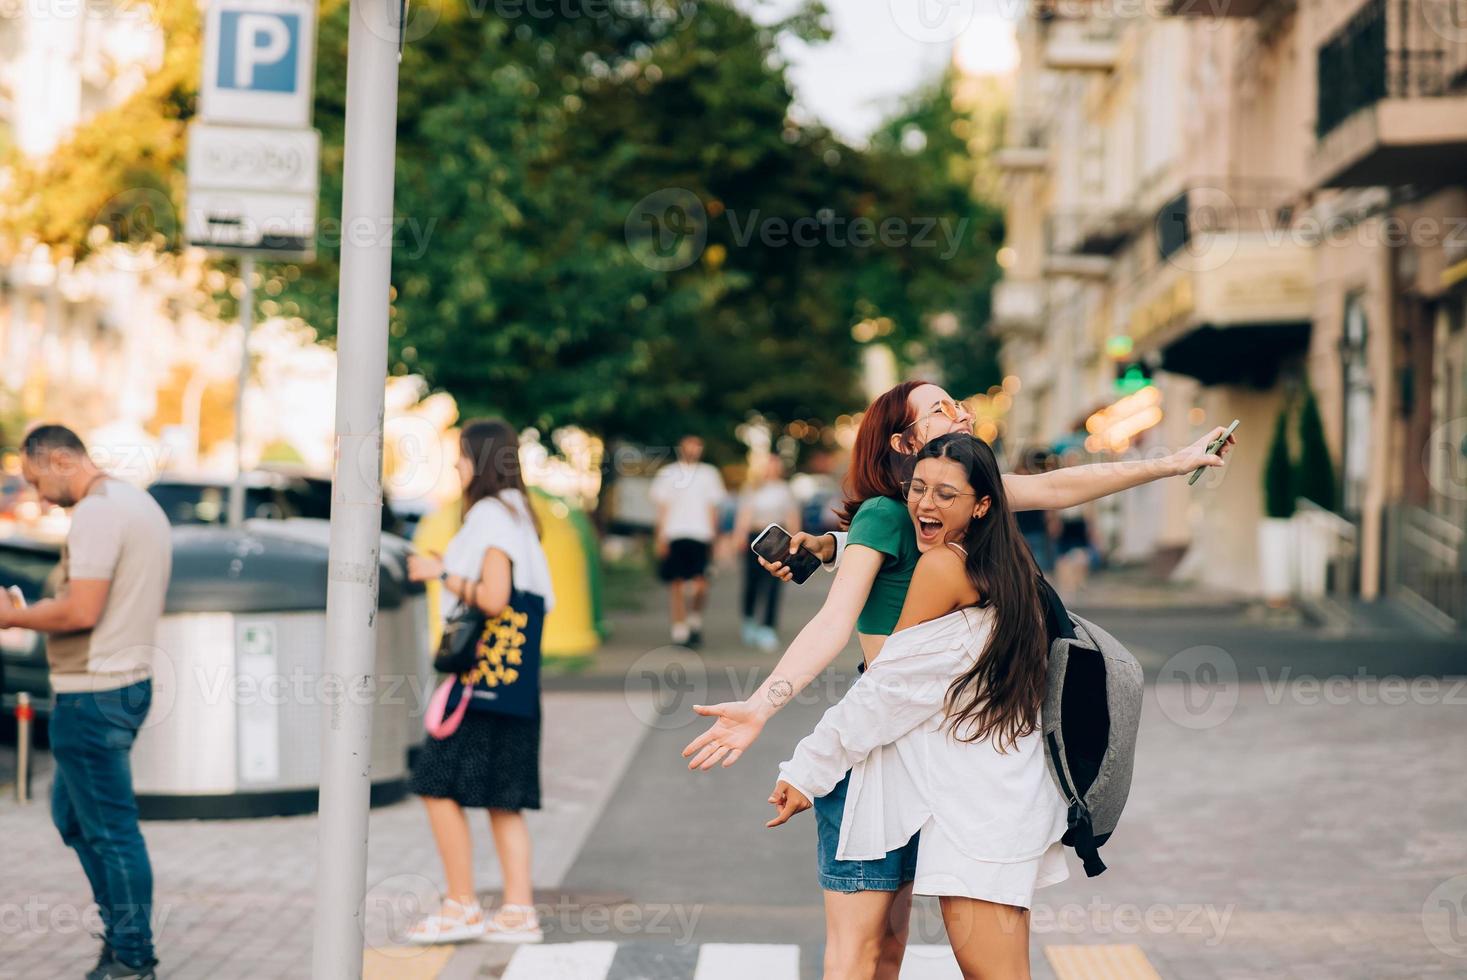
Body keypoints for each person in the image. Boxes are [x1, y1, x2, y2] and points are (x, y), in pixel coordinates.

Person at [682, 379, 1235, 980]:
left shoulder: (963, 515)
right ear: (904, 442)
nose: (963, 412)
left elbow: (1060, 486)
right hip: (886, 743)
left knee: (886, 951)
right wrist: (763, 705)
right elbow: (835, 622)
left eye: (957, 404)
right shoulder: (899, 516)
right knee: (868, 953)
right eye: (941, 409)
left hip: (933, 748)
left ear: (979, 503)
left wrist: (1176, 462)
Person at [768, 433, 1068, 980]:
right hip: (1004, 798)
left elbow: (889, 690)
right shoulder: (1009, 566)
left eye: (945, 495)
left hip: (978, 816)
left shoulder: (945, 567)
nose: (925, 505)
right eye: (918, 488)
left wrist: (806, 770)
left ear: (981, 505)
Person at [0, 425, 172, 980]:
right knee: (73, 816)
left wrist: (14, 616)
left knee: (110, 830)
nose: (39, 495)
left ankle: (131, 959)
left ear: (57, 459)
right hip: (121, 685)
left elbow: (81, 612)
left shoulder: (98, 513)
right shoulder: (134, 501)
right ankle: (124, 941)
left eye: (35, 479)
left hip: (95, 693)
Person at [405, 418, 556, 945]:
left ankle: (461, 903)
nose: (456, 465)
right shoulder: (517, 514)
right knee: (503, 797)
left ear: (481, 460)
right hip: (514, 684)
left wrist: (437, 574)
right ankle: (517, 911)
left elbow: (493, 596)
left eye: (462, 456)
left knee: (433, 783)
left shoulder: (491, 514)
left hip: (482, 682)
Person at [650, 435, 726, 647]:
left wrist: (715, 538)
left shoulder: (709, 474)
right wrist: (660, 537)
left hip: (701, 535)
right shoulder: (668, 473)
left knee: (701, 584)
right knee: (676, 583)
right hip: (675, 533)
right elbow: (662, 508)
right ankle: (679, 629)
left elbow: (713, 509)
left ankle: (694, 620)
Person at [732, 455, 801, 652]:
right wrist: (739, 537)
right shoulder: (752, 488)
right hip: (755, 538)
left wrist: (795, 543)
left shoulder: (785, 490)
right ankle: (749, 619)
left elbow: (792, 516)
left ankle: (768, 626)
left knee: (773, 583)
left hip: (777, 539)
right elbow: (744, 515)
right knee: (752, 581)